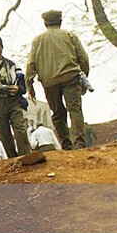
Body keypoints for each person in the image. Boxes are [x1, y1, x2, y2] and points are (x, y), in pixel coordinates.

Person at [25, 10, 90, 150]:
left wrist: (29, 84)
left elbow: (31, 64)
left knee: (57, 113)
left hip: (49, 82)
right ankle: (79, 144)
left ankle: (66, 144)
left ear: (45, 23)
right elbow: (83, 58)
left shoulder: (37, 41)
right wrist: (84, 77)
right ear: (60, 21)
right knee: (75, 110)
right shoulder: (69, 35)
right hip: (71, 77)